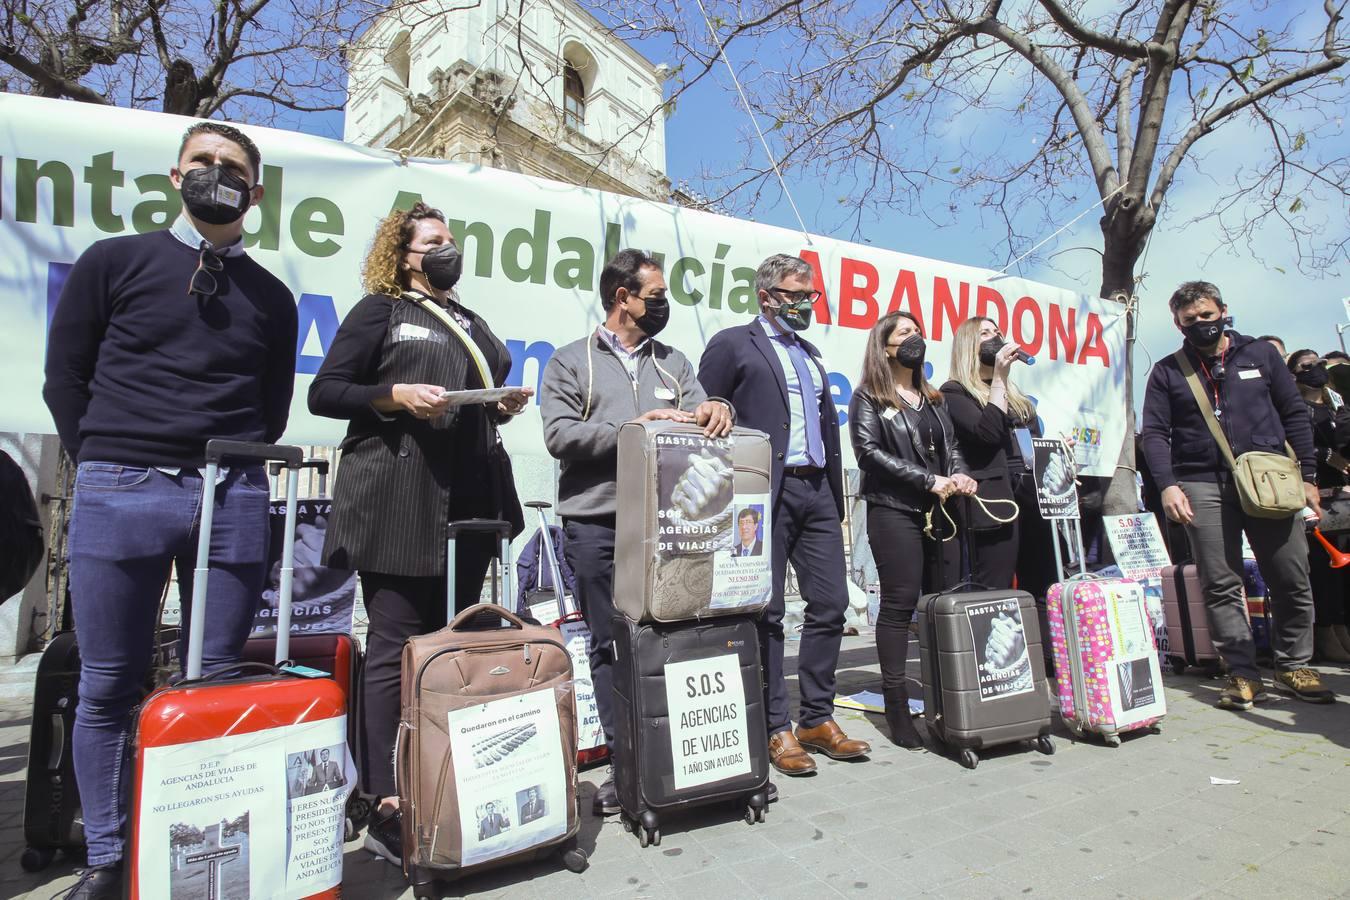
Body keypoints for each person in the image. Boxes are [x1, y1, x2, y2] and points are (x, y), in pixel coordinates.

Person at [42, 121, 297, 900]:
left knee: (214, 677)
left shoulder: (273, 297)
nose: (216, 176)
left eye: (233, 169)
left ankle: (196, 850)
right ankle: (108, 858)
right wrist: (111, 455)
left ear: (255, 193)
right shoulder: (114, 261)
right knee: (108, 683)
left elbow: (272, 409)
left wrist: (228, 468)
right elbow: (65, 377)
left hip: (232, 492)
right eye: (203, 164)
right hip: (123, 489)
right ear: (176, 175)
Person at [309, 202, 531, 865]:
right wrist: (395, 395)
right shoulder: (381, 310)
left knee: (451, 645)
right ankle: (385, 799)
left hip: (470, 502)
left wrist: (503, 403)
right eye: (433, 241)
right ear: (403, 253)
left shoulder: (472, 321)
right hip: (398, 502)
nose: (447, 249)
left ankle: (442, 776)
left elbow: (477, 393)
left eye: (451, 239)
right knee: (393, 648)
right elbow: (327, 391)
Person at [540, 248, 733, 815]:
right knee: (610, 641)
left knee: (672, 634)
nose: (663, 305)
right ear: (621, 297)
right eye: (655, 296)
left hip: (669, 524)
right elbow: (559, 434)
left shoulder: (674, 361)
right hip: (597, 520)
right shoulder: (572, 361)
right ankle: (625, 762)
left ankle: (675, 754)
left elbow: (702, 412)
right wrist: (632, 428)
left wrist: (716, 407)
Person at [699, 253, 871, 776]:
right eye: (795, 295)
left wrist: (835, 498)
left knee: (831, 603)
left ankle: (815, 718)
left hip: (816, 490)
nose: (804, 304)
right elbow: (705, 405)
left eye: (810, 295)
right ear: (766, 296)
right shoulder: (733, 344)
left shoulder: (810, 352)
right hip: (759, 494)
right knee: (768, 611)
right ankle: (774, 724)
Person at [1140, 281, 1334, 709]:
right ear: (1177, 323)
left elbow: (1294, 414)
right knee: (1220, 582)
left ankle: (1294, 665)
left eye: (1207, 316)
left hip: (1269, 478)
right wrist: (1168, 484)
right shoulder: (1168, 370)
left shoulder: (1261, 355)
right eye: (1190, 320)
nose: (1201, 325)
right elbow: (1154, 432)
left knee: (1289, 575)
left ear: (1224, 311)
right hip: (1201, 482)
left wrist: (1307, 475)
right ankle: (1242, 673)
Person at [850, 311, 976, 747]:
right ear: (884, 346)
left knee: (942, 603)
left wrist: (959, 475)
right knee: (901, 604)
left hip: (942, 514)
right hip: (893, 510)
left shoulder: (935, 398)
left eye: (917, 331)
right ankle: (897, 705)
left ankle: (947, 701)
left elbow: (953, 448)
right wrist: (927, 480)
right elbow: (867, 453)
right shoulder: (868, 396)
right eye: (904, 333)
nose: (914, 338)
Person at [940, 317, 1038, 589]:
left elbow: (1031, 438)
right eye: (985, 333)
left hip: (1030, 495)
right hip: (994, 501)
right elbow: (988, 434)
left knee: (1040, 581)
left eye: (998, 332)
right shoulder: (954, 391)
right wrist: (998, 379)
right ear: (969, 346)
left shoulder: (1017, 397)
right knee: (997, 585)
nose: (995, 337)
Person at [1287, 350, 1350, 663]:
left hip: (1343, 493)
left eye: (1319, 363)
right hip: (1317, 496)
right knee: (1324, 570)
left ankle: (1341, 626)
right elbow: (1295, 443)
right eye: (1306, 366)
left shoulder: (1338, 402)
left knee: (1344, 570)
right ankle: (1326, 632)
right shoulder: (1296, 407)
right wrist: (1325, 455)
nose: (1316, 369)